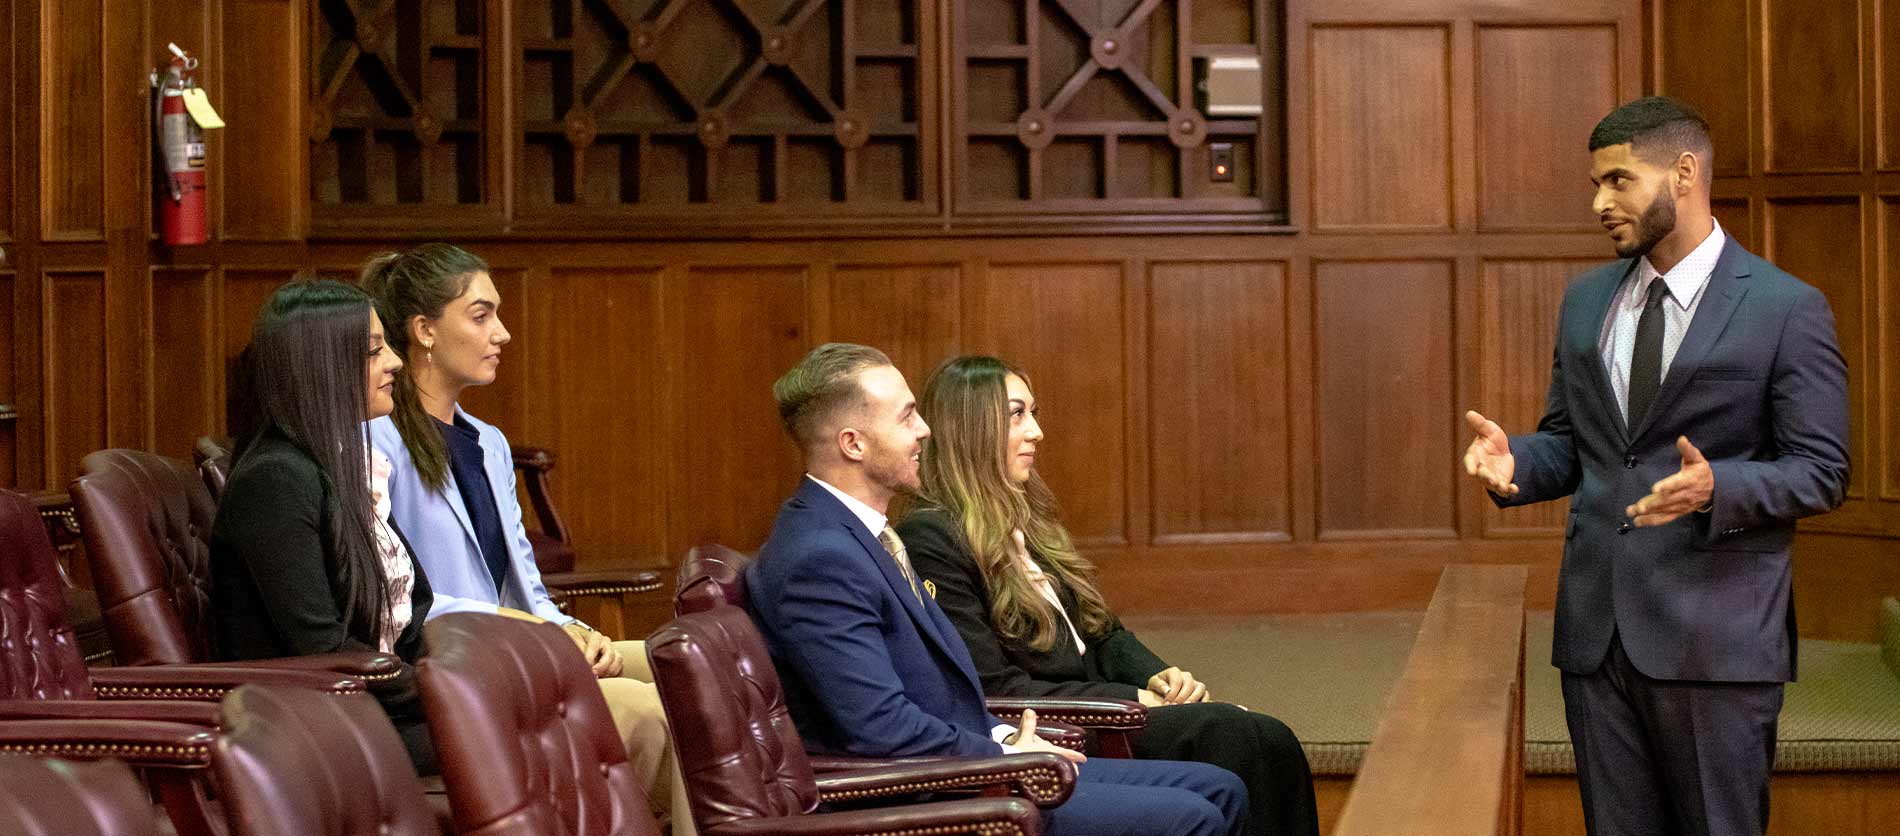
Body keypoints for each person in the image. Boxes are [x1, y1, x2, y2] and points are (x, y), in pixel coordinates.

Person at [1462, 96, 1848, 836]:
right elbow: (1576, 445)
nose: (1599, 203)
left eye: (1617, 181)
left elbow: (1823, 469)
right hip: (1595, 638)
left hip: (1716, 644)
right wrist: (1518, 460)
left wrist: (1719, 486)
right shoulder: (1586, 301)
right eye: (1596, 185)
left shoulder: (1786, 308)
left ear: (1683, 172)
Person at [746, 342, 1248, 836]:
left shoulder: (861, 533)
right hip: (936, 794)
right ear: (853, 444)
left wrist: (1008, 735)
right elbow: (880, 727)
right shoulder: (819, 556)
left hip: (974, 758)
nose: (924, 431)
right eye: (906, 418)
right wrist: (1008, 756)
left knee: (1221, 789)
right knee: (1194, 815)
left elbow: (938, 691)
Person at [895, 355, 1318, 836]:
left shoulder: (1024, 516)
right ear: (970, 429)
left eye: (1034, 413)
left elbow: (1101, 630)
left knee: (1265, 738)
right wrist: (1135, 700)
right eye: (1017, 415)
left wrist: (1158, 677)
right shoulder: (932, 539)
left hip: (1105, 703)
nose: (1036, 432)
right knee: (1241, 734)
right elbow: (996, 687)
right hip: (1060, 725)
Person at [359, 244, 688, 833]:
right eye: (482, 315)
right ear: (425, 330)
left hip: (527, 642)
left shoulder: (487, 440)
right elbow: (405, 597)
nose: (503, 333)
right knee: (646, 709)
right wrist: (541, 634)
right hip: (458, 657)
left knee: (686, 671)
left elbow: (526, 586)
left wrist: (573, 632)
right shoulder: (378, 442)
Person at [209, 279, 437, 773]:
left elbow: (402, 624)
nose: (396, 362)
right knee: (532, 740)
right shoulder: (276, 478)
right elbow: (320, 648)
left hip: (372, 706)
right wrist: (443, 691)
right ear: (324, 368)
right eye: (376, 351)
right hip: (315, 726)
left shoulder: (337, 464)